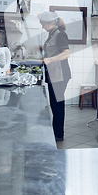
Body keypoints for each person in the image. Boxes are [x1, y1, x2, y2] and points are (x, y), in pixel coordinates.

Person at [38, 11, 71, 142]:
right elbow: (53, 49)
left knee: (57, 105)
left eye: (43, 24)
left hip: (60, 74)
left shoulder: (60, 34)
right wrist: (40, 48)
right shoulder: (52, 34)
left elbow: (66, 53)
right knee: (55, 104)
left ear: (51, 23)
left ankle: (58, 134)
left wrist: (50, 60)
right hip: (54, 74)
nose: (42, 26)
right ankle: (56, 132)